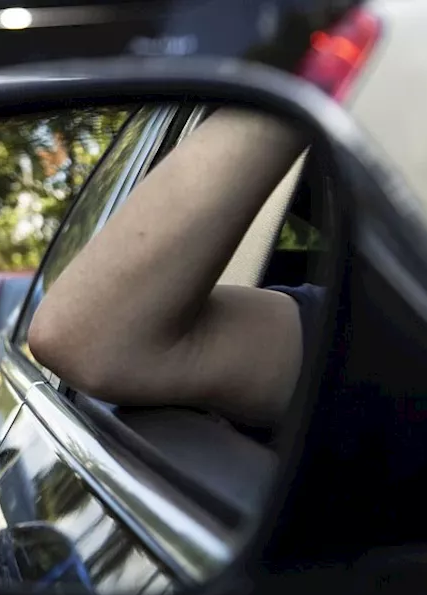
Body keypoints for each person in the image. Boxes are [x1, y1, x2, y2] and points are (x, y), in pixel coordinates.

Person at [27, 107, 315, 429]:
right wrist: (299, 85)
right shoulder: (355, 328)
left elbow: (73, 336)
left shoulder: (358, 333)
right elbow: (77, 336)